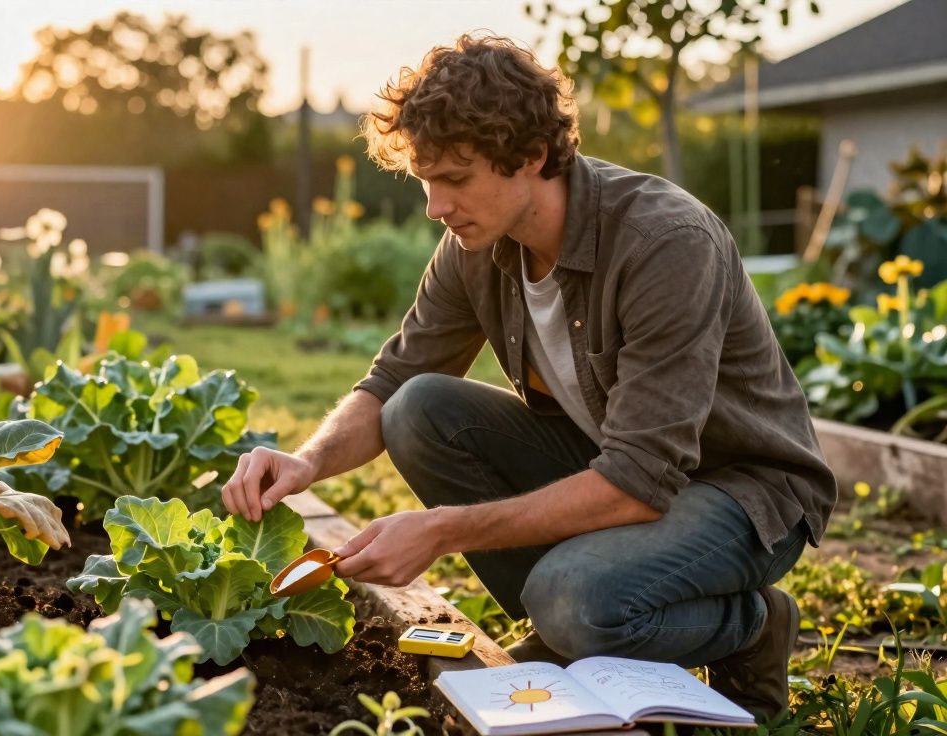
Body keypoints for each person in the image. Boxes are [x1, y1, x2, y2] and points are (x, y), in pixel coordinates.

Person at [220, 33, 835, 721]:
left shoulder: (665, 243)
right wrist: (305, 463)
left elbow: (640, 478)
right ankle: (569, 625)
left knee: (572, 596)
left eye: (455, 179)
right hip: (621, 467)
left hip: (742, 494)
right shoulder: (475, 247)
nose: (435, 206)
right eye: (426, 180)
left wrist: (441, 531)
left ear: (533, 156)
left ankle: (748, 628)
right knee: (419, 409)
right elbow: (394, 379)